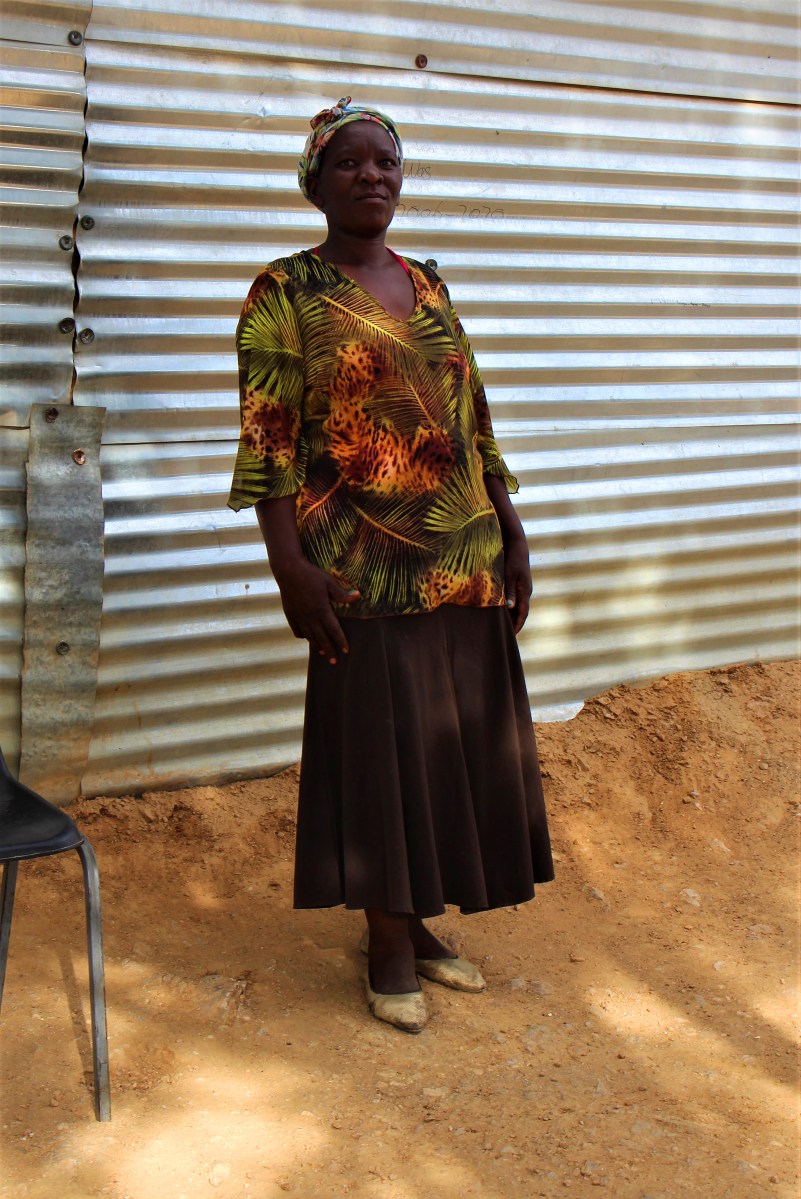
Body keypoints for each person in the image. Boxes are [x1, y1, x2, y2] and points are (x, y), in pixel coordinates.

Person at [228, 98, 554, 1033]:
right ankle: (384, 942)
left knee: (445, 752)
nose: (371, 175)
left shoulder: (429, 283)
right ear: (315, 181)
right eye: (349, 161)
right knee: (380, 754)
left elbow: (471, 414)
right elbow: (268, 438)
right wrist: (287, 565)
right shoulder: (284, 291)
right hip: (358, 568)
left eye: (386, 161)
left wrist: (511, 527)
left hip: (463, 554)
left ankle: (416, 920)